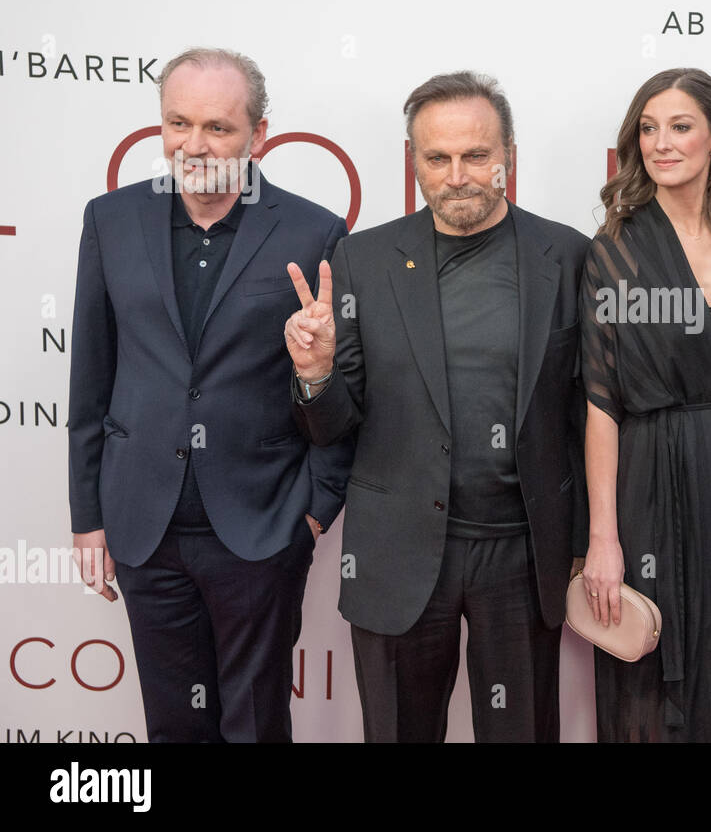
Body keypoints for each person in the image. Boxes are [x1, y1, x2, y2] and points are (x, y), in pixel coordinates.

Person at [287, 71, 589, 742]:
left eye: (476, 156)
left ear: (507, 154)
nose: (457, 176)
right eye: (437, 158)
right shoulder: (363, 260)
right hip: (397, 552)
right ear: (413, 160)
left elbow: (584, 415)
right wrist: (315, 374)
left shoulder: (566, 256)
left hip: (522, 553)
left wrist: (588, 541)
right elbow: (332, 425)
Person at [67, 47, 352, 741]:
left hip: (259, 528)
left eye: (218, 127)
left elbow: (338, 395)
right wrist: (87, 515)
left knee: (254, 724)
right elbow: (90, 377)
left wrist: (312, 514)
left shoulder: (314, 230)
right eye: (177, 123)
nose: (194, 145)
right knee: (172, 727)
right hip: (143, 526)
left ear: (259, 134)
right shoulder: (111, 220)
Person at [580, 67, 711, 742]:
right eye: (649, 128)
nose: (662, 143)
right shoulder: (619, 246)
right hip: (649, 479)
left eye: (681, 126)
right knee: (655, 669)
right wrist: (603, 537)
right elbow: (601, 400)